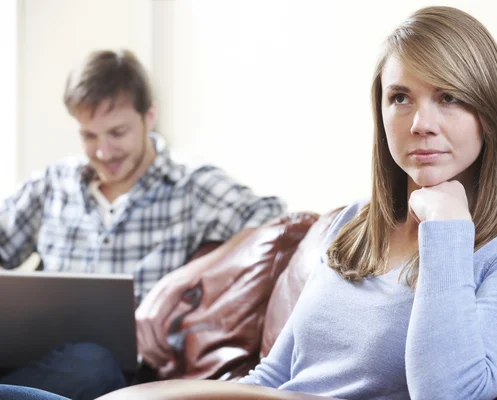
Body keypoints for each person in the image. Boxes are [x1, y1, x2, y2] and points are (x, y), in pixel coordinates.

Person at [239, 6, 497, 400]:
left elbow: (447, 394)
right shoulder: (354, 221)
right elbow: (272, 377)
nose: (420, 124)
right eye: (400, 98)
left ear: (489, 111)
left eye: (448, 97)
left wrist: (447, 231)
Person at [0, 49, 286, 399]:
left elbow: (276, 218)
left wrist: (183, 277)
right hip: (28, 355)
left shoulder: (190, 185)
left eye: (117, 133)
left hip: (108, 370)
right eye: (89, 136)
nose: (103, 151)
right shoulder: (52, 183)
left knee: (92, 362)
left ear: (149, 116)